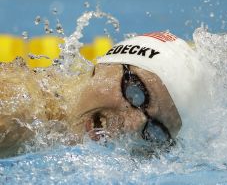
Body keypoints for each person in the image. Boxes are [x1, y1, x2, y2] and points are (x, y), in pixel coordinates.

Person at [0, 31, 204, 157]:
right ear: (105, 65)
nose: (135, 124)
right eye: (136, 93)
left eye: (155, 131)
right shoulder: (16, 110)